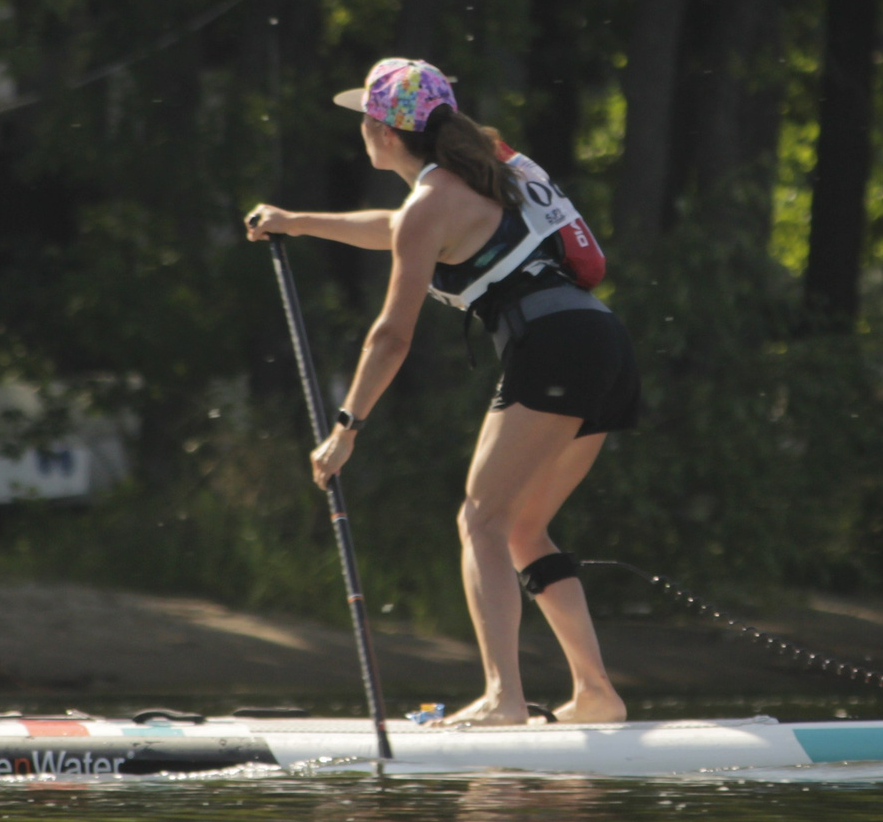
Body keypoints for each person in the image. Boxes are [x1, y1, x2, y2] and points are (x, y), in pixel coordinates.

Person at [244, 58, 640, 727]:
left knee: (480, 521)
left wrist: (346, 426)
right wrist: (297, 221)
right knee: (522, 526)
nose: (361, 130)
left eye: (364, 119)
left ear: (384, 132)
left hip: (552, 347)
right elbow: (396, 228)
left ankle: (503, 698)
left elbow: (390, 336)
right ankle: (597, 693)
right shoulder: (473, 181)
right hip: (603, 342)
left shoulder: (433, 202)